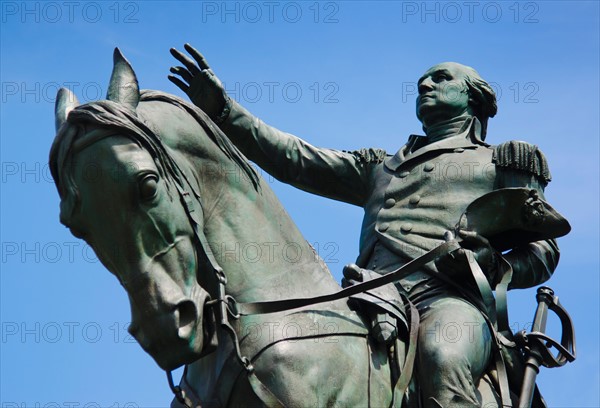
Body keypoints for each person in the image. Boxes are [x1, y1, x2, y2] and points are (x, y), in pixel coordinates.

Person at [168, 44, 559, 407]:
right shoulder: (380, 168)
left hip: (448, 299)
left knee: (443, 355)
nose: (425, 84)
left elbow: (543, 250)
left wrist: (490, 263)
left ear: (474, 96)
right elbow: (293, 158)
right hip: (369, 293)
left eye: (441, 78)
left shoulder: (504, 161)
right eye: (424, 79)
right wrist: (223, 111)